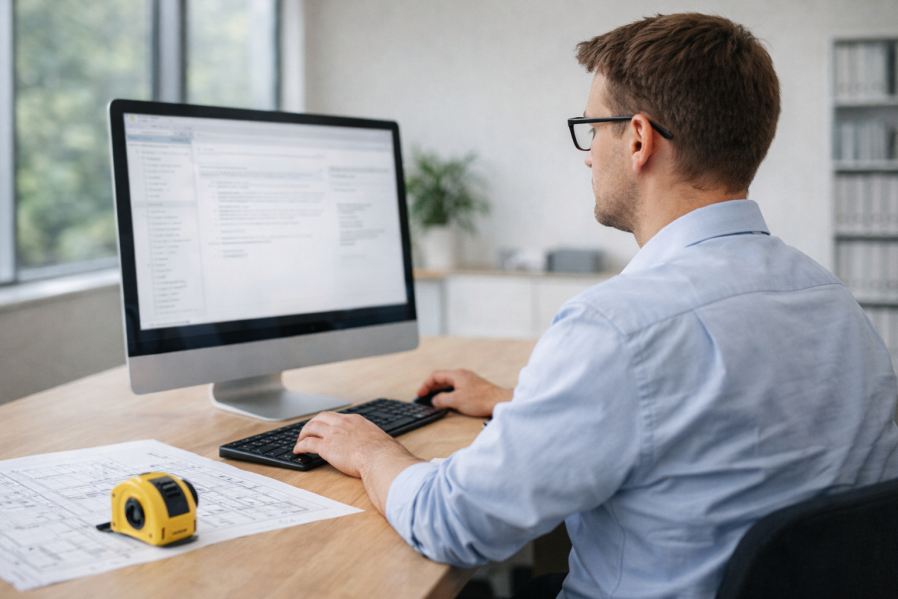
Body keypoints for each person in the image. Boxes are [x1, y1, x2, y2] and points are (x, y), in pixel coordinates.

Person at [294, 13, 898, 599]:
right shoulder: (833, 301)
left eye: (591, 129)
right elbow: (727, 422)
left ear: (637, 139)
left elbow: (455, 523)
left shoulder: (619, 328)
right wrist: (521, 404)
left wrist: (371, 450)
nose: (587, 154)